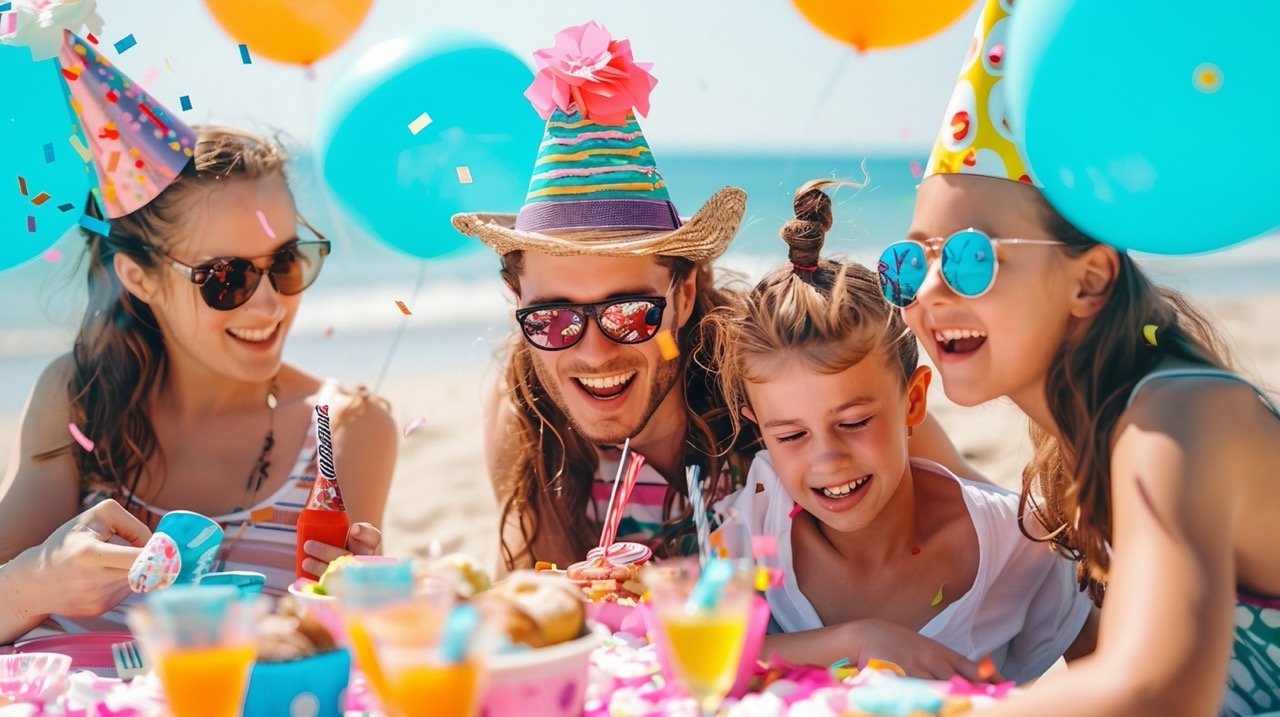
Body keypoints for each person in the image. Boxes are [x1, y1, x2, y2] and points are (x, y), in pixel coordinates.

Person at [451, 21, 976, 573]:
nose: (594, 353)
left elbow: (995, 527)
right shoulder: (529, 417)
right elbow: (548, 610)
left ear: (683, 296)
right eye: (553, 319)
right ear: (517, 303)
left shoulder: (784, 367)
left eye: (629, 313)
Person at [881, 0, 1280, 713]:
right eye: (910, 262)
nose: (931, 291)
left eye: (974, 258)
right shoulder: (1083, 438)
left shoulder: (1177, 416)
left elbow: (1156, 688)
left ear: (1089, 279)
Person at [0, 35, 395, 644]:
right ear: (139, 278)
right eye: (225, 277)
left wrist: (362, 601)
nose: (270, 302)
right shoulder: (79, 400)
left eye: (287, 261)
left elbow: (347, 649)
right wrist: (41, 583)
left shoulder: (344, 429)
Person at [708, 179, 1095, 683]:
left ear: (913, 401)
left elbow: (1118, 683)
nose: (828, 460)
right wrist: (857, 641)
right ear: (759, 425)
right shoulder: (758, 517)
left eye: (853, 423)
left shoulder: (1019, 546)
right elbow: (689, 644)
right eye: (791, 436)